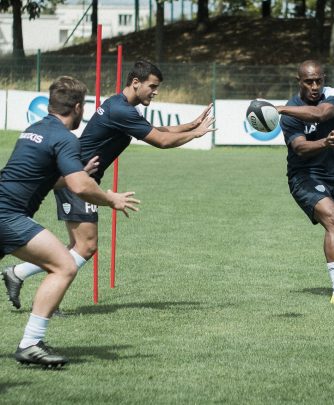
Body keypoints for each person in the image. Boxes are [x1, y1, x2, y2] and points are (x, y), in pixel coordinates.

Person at [2, 59, 215, 309]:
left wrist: (189, 125)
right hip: (79, 178)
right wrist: (196, 134)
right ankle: (28, 282)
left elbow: (155, 129)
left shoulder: (119, 105)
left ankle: (21, 275)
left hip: (79, 175)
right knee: (86, 246)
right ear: (136, 83)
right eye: (152, 86)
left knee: (80, 246)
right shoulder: (121, 110)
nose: (155, 92)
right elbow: (161, 141)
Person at [0, 76, 140, 367]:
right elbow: (80, 187)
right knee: (63, 264)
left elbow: (42, 179)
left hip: (5, 211)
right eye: (83, 108)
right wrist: (111, 198)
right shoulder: (65, 139)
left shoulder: (33, 130)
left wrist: (78, 170)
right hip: (8, 215)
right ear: (77, 107)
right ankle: (30, 344)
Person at [277, 59, 334, 305]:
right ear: (298, 82)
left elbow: (322, 113)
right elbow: (300, 148)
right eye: (308, 81)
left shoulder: (333, 95)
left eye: (318, 80)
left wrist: (279, 108)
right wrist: (324, 142)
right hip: (303, 178)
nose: (314, 86)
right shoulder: (291, 112)